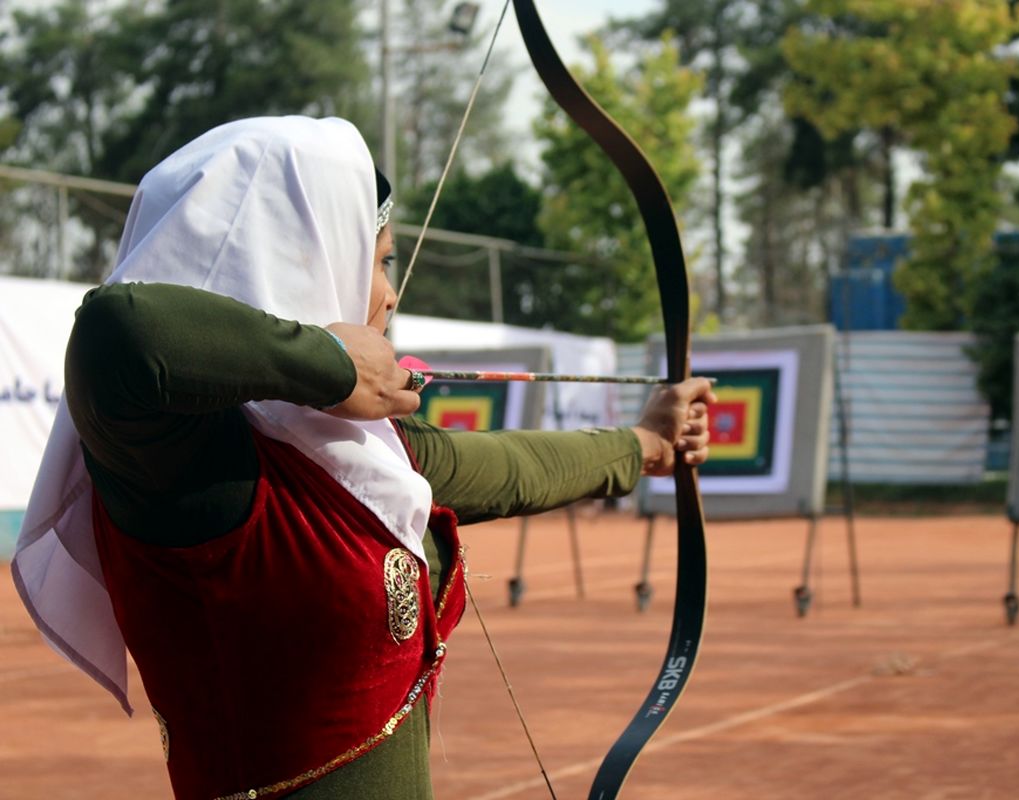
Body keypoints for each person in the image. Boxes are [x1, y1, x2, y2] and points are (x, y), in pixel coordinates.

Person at [10, 116, 714, 800]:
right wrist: (333, 367)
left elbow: (501, 466)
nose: (389, 292)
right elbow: (120, 335)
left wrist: (644, 444)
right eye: (377, 261)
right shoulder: (180, 461)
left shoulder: (347, 454)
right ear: (297, 259)